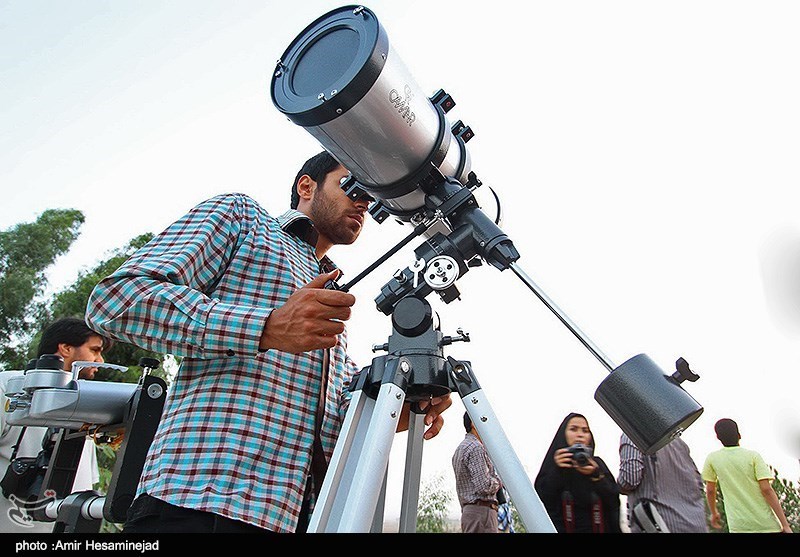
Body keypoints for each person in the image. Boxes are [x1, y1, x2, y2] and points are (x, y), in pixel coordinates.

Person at [85, 151, 452, 534]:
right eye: (350, 183)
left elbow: (331, 410)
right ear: (306, 186)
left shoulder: (330, 284)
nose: (363, 200)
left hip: (295, 519)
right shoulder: (243, 218)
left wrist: (396, 406)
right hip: (198, 504)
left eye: (369, 195)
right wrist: (266, 326)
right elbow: (117, 299)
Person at [1, 317, 108, 532]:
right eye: (94, 350)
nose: (100, 361)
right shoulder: (8, 386)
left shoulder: (87, 403)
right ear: (66, 348)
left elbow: (86, 481)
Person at [534, 412, 621, 533]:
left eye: (585, 431)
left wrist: (597, 476)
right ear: (563, 434)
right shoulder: (553, 465)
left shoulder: (597, 465)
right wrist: (557, 471)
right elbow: (541, 502)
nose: (580, 435)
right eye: (573, 429)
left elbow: (613, 502)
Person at [702, 418, 792, 533]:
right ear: (739, 435)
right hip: (766, 525)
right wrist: (785, 525)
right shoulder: (753, 456)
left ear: (718, 438)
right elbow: (766, 489)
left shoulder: (713, 459)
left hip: (738, 526)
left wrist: (714, 513)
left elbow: (710, 490)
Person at [617, 432, 707, 533]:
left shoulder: (633, 436)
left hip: (660, 522)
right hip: (696, 522)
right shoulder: (677, 441)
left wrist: (616, 486)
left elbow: (629, 480)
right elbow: (698, 483)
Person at [452, 412, 502, 533]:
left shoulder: (461, 448)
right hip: (482, 512)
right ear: (474, 423)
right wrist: (499, 481)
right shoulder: (476, 447)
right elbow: (484, 486)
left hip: (471, 512)